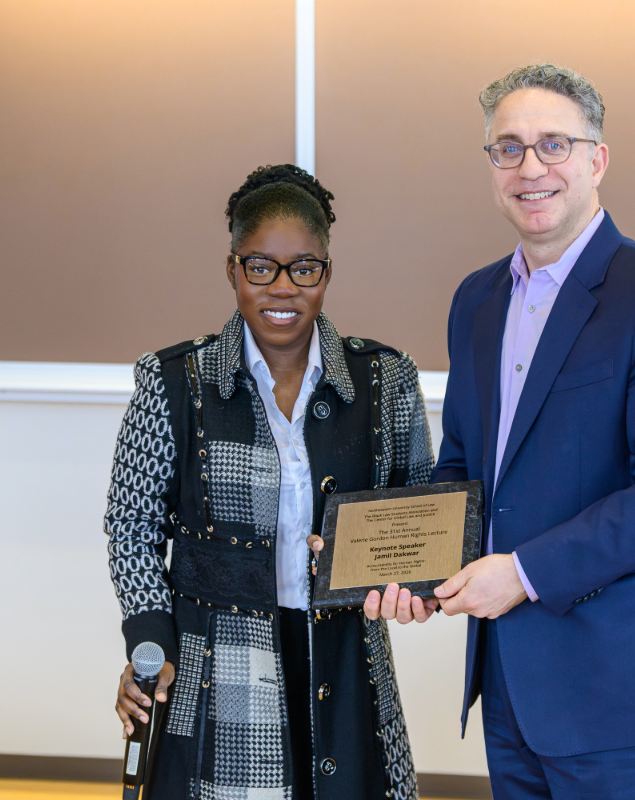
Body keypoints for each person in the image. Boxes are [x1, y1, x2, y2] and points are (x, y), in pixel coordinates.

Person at [428, 64, 635, 799]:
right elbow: (466, 467)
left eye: (553, 145)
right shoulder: (477, 300)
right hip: (510, 688)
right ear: (492, 167)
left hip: (623, 694)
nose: (530, 167)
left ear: (597, 160)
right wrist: (398, 561)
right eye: (508, 148)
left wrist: (523, 572)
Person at [104, 164, 435, 800]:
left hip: (346, 659)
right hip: (211, 660)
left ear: (327, 273)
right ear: (232, 269)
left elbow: (418, 512)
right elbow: (131, 526)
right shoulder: (175, 380)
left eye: (303, 268)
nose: (282, 288)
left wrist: (410, 583)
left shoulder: (385, 380)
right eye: (261, 267)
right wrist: (149, 637)